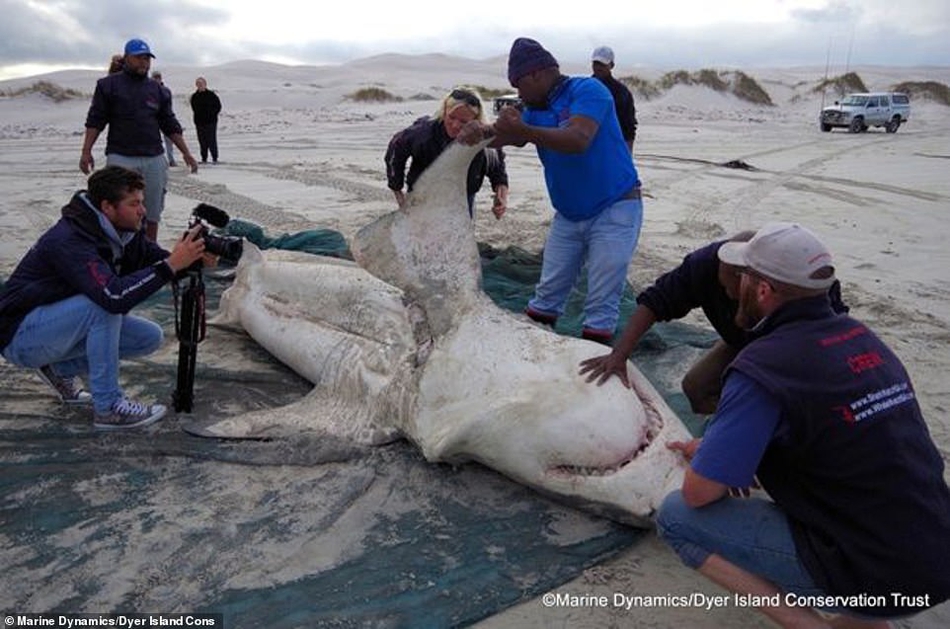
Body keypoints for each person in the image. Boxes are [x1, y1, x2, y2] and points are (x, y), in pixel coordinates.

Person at [655, 222, 950, 628]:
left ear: (762, 290)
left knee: (677, 516)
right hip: (936, 555)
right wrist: (715, 451)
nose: (735, 286)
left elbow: (700, 493)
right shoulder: (863, 339)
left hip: (879, 574)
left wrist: (712, 465)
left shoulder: (763, 366)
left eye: (743, 277)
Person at [459, 37, 643, 344]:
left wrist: (523, 130)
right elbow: (503, 137)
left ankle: (591, 373)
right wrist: (478, 133)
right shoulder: (534, 107)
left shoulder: (588, 90)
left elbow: (578, 138)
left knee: (601, 304)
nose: (518, 93)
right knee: (546, 297)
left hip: (615, 207)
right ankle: (535, 357)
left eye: (519, 84)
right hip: (569, 216)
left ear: (535, 74)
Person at [0, 166, 208, 429]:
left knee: (148, 337)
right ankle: (109, 408)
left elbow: (160, 260)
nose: (142, 211)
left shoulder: (124, 232)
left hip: (52, 329)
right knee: (102, 306)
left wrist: (193, 257)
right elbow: (115, 296)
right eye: (134, 204)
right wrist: (170, 266)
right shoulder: (70, 239)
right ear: (107, 207)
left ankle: (58, 369)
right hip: (18, 336)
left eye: (142, 203)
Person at [578, 230, 849, 414]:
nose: (727, 293)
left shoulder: (804, 282)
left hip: (798, 350)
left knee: (779, 405)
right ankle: (727, 429)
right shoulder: (705, 264)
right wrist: (620, 354)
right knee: (696, 387)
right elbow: (654, 301)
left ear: (758, 282)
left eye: (734, 288)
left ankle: (761, 442)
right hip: (740, 339)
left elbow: (832, 340)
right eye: (721, 283)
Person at [81, 38, 198, 242]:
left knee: (151, 211)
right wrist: (86, 151)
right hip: (121, 157)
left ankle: (148, 249)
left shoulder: (158, 90)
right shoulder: (108, 86)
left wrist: (186, 153)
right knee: (119, 210)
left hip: (153, 158)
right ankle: (121, 250)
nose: (144, 62)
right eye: (138, 58)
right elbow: (96, 120)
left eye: (147, 58)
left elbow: (169, 124)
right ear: (126, 58)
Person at [385, 87, 509, 219]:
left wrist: (501, 196)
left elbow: (497, 169)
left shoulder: (484, 140)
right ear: (444, 111)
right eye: (451, 117)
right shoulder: (422, 133)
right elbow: (395, 149)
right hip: (422, 196)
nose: (455, 125)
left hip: (463, 198)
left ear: (476, 120)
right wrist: (398, 192)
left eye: (464, 121)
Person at [590, 46, 638, 153]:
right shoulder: (583, 88)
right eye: (596, 63)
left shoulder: (621, 92)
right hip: (587, 147)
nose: (598, 67)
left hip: (612, 147)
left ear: (611, 65)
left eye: (602, 64)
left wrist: (627, 155)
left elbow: (629, 126)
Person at [190, 77, 222, 164]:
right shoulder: (194, 96)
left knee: (211, 140)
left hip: (211, 122)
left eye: (201, 83)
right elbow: (194, 108)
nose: (200, 85)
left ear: (205, 84)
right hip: (199, 122)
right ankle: (204, 158)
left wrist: (212, 115)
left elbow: (218, 107)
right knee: (202, 141)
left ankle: (215, 158)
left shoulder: (211, 95)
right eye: (198, 84)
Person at [151, 71, 178, 167]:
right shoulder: (148, 89)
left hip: (165, 118)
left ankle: (171, 159)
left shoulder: (166, 90)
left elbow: (169, 105)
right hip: (152, 119)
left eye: (158, 77)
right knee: (155, 140)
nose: (156, 79)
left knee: (169, 140)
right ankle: (160, 160)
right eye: (155, 77)